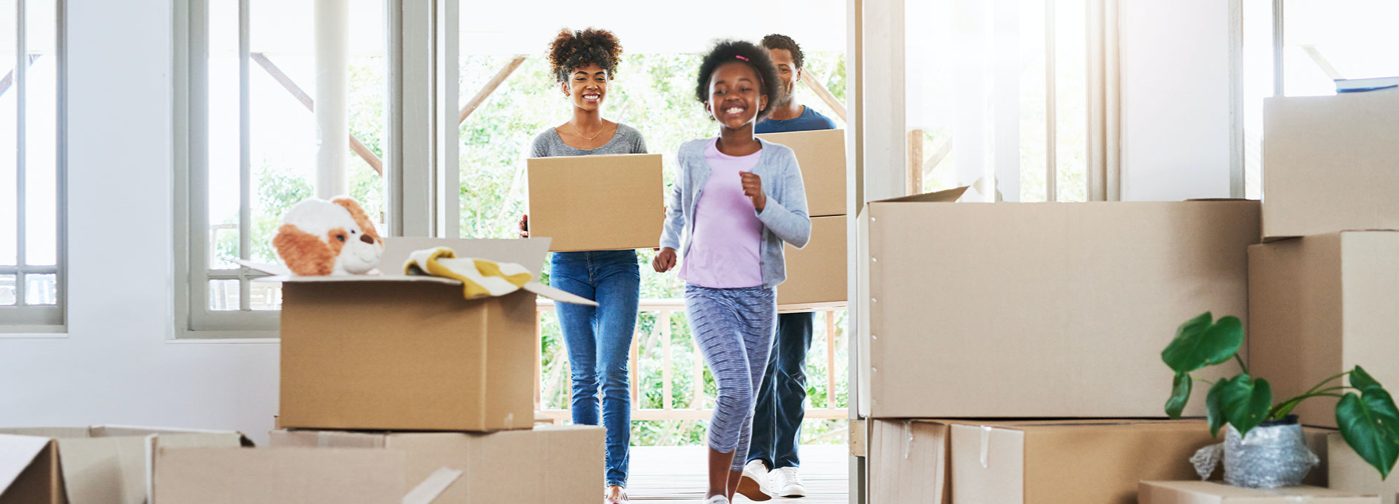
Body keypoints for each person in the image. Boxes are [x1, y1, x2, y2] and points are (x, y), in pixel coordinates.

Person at [653, 40, 811, 504]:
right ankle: (714, 493)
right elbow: (678, 213)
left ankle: (733, 482)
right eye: (720, 89)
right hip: (705, 290)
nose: (732, 95)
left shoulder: (780, 160)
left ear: (764, 98)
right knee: (737, 389)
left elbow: (800, 232)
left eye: (744, 87)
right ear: (708, 103)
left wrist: (764, 203)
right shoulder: (691, 154)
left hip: (759, 294)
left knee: (746, 401)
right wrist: (667, 246)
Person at [520, 27, 647, 504]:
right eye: (580, 76)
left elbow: (638, 206)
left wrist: (650, 221)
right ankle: (583, 477)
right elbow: (543, 214)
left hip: (618, 265)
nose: (590, 84)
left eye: (599, 76)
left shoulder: (630, 138)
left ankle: (615, 479)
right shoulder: (545, 143)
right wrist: (531, 227)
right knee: (581, 373)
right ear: (564, 84)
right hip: (568, 265)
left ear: (609, 82)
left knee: (611, 371)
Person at [741, 33, 839, 499]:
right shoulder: (746, 129)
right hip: (754, 263)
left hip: (804, 261)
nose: (777, 75)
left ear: (797, 72)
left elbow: (834, 203)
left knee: (792, 369)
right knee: (756, 367)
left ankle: (787, 463)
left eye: (784, 66)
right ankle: (755, 459)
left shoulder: (822, 129)